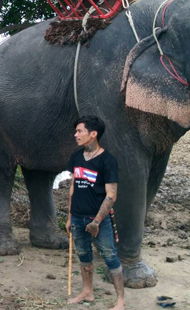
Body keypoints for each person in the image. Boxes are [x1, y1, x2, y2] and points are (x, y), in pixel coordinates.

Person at [65, 116, 125, 310]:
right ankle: (87, 292)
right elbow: (73, 187)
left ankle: (120, 302)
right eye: (76, 131)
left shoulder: (108, 161)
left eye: (79, 131)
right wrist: (69, 216)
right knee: (84, 257)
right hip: (77, 217)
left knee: (110, 257)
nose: (75, 135)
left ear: (93, 134)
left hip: (99, 221)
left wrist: (97, 222)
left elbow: (111, 196)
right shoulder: (76, 157)